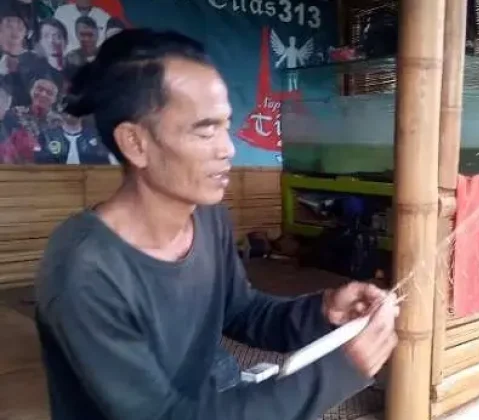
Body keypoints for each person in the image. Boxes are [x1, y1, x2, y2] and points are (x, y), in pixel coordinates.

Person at [34, 28, 399, 420]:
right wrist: (340, 372)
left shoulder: (206, 216)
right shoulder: (84, 271)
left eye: (226, 126)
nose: (228, 148)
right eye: (206, 130)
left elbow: (242, 311)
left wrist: (323, 311)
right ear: (136, 143)